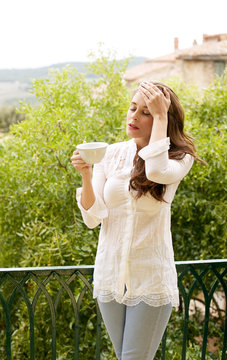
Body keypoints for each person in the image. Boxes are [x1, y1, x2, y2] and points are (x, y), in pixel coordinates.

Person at [71, 81, 200, 360]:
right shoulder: (111, 154)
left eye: (146, 112)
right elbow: (94, 218)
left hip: (150, 278)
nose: (134, 117)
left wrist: (161, 116)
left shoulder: (180, 158)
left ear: (163, 119)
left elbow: (155, 170)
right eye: (132, 108)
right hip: (109, 277)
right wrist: (85, 173)